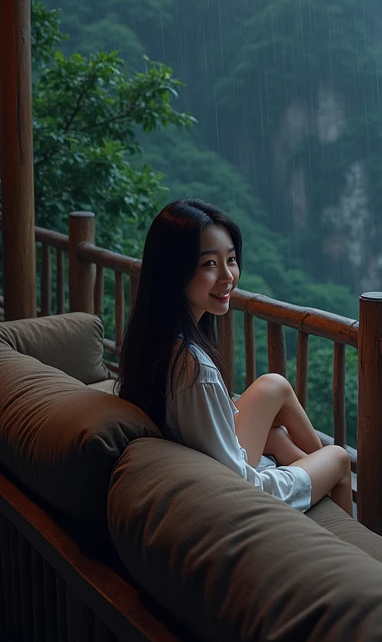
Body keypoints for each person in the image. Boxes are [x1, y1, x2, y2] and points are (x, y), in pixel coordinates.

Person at [117, 199, 353, 516]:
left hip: (202, 464)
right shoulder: (196, 370)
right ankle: (349, 534)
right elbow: (238, 484)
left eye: (230, 259)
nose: (228, 275)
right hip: (234, 495)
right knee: (338, 457)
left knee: (275, 390)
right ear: (174, 270)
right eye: (209, 264)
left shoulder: (157, 337)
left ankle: (319, 476)